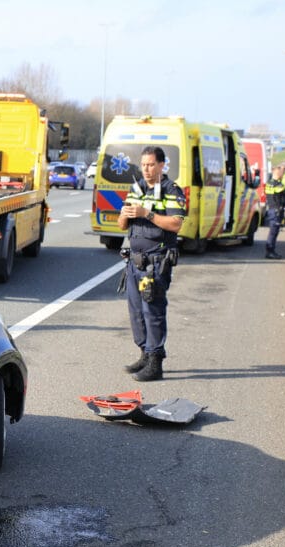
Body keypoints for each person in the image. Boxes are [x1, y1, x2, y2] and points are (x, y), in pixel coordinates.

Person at [118, 146, 187, 382]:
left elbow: (176, 224)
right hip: (134, 261)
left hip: (156, 261)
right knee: (136, 312)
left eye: (151, 165)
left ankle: (155, 361)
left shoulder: (171, 190)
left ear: (161, 165)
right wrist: (126, 214)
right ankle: (145, 354)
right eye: (143, 165)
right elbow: (121, 225)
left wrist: (146, 213)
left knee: (153, 311)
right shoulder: (136, 189)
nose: (146, 170)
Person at [263, 165, 285, 259]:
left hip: (272, 209)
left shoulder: (269, 182)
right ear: (277, 173)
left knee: (273, 231)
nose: (282, 174)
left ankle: (270, 251)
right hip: (276, 210)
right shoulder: (276, 184)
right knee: (273, 232)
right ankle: (270, 251)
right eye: (281, 173)